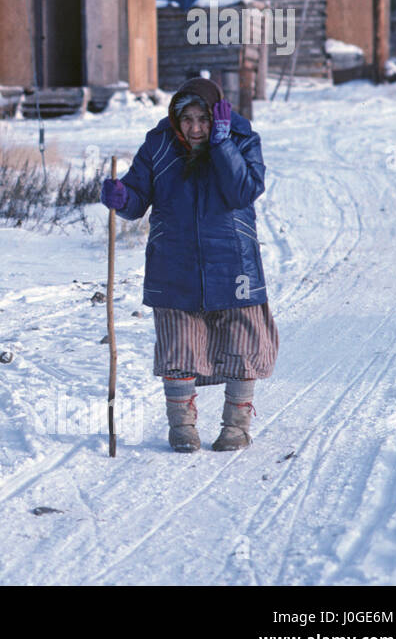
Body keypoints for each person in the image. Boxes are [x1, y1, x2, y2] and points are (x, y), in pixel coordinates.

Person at [100, 77, 279, 453]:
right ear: (175, 119)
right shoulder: (159, 144)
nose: (195, 128)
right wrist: (121, 197)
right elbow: (137, 198)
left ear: (217, 116)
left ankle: (236, 426)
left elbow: (243, 191)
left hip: (233, 260)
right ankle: (181, 427)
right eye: (187, 120)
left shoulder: (243, 139)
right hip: (174, 260)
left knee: (242, 342)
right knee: (178, 344)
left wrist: (223, 143)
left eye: (203, 119)